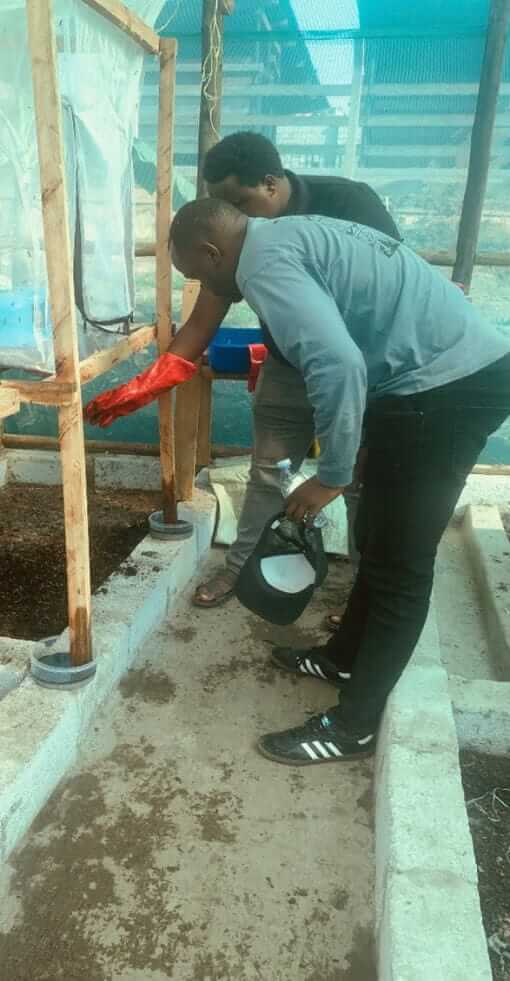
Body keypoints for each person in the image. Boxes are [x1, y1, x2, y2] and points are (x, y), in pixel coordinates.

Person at [169, 198, 510, 766]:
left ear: (212, 252)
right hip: (430, 382)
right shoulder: (281, 236)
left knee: (401, 563)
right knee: (377, 536)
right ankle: (342, 658)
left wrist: (331, 476)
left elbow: (339, 364)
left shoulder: (263, 265)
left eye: (200, 274)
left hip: (450, 388)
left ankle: (355, 726)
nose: (208, 288)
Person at [168, 132, 400, 610]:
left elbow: (389, 289)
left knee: (358, 478)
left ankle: (363, 599)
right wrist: (154, 378)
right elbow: (202, 319)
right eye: (222, 206)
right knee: (269, 472)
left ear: (271, 185)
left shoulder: (348, 203)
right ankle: (241, 569)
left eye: (239, 202)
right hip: (287, 363)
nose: (234, 217)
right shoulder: (233, 239)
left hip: (358, 368)